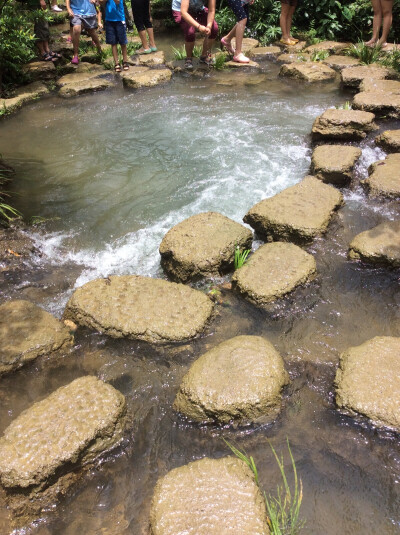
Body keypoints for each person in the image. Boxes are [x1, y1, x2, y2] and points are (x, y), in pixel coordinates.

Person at [172, 0, 218, 69]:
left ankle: (204, 56)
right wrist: (199, 26)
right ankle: (188, 59)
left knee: (214, 29)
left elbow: (211, 11)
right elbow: (183, 12)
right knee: (190, 32)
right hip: (180, 9)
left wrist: (209, 26)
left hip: (198, 8)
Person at [66, 0, 102, 64]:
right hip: (76, 11)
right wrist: (68, 8)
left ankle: (99, 49)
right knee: (76, 29)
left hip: (89, 11)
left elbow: (98, 3)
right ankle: (76, 55)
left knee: (92, 32)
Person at [100, 0, 130, 71]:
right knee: (113, 43)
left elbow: (117, 1)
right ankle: (117, 63)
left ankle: (125, 61)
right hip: (109, 20)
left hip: (120, 20)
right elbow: (101, 2)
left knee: (123, 42)